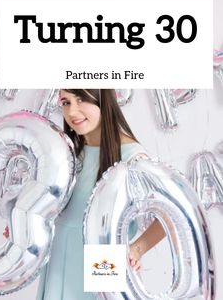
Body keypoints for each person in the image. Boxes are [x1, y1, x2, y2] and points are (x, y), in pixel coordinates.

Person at [36, 89, 165, 300]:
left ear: (104, 99)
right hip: (59, 257)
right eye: (66, 102)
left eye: (81, 99)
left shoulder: (132, 157)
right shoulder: (70, 152)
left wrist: (136, 249)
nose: (73, 111)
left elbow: (167, 215)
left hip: (102, 261)